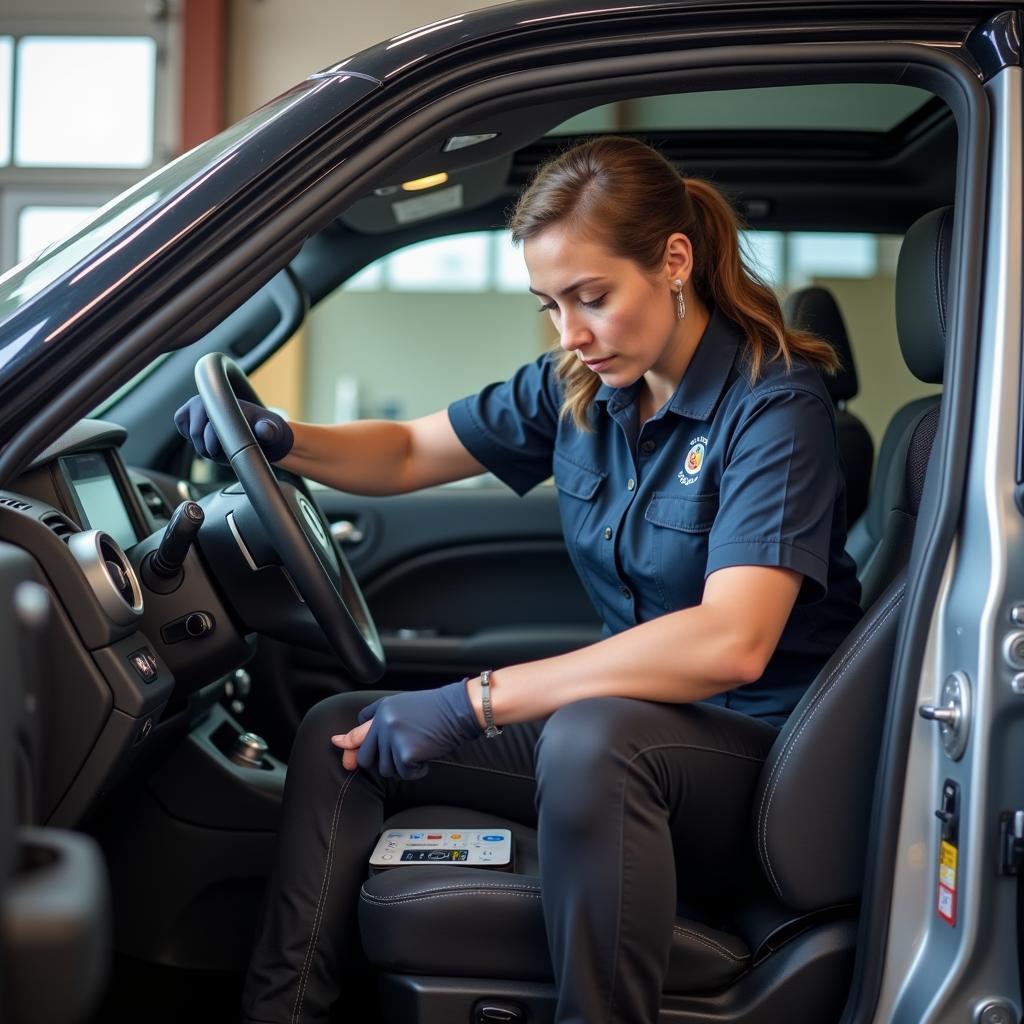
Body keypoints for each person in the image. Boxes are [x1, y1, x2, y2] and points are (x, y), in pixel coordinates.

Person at [175, 136, 863, 1024]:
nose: (570, 332)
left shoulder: (776, 407)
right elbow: (414, 447)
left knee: (593, 740)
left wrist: (477, 701)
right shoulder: (581, 388)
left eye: (593, 298)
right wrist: (279, 437)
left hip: (761, 766)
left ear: (674, 261)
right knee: (345, 732)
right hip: (639, 733)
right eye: (550, 305)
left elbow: (733, 640)